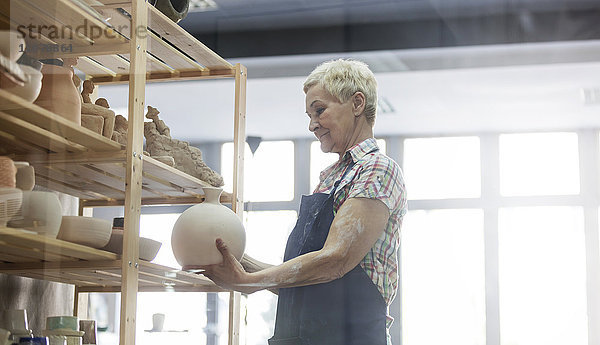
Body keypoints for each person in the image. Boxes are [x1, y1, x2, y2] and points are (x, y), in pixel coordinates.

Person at [197, 59, 407, 345]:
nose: (312, 125)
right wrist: (237, 260)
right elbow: (302, 284)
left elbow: (336, 260)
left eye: (320, 110)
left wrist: (247, 282)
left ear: (357, 104)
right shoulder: (330, 178)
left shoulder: (377, 169)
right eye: (309, 114)